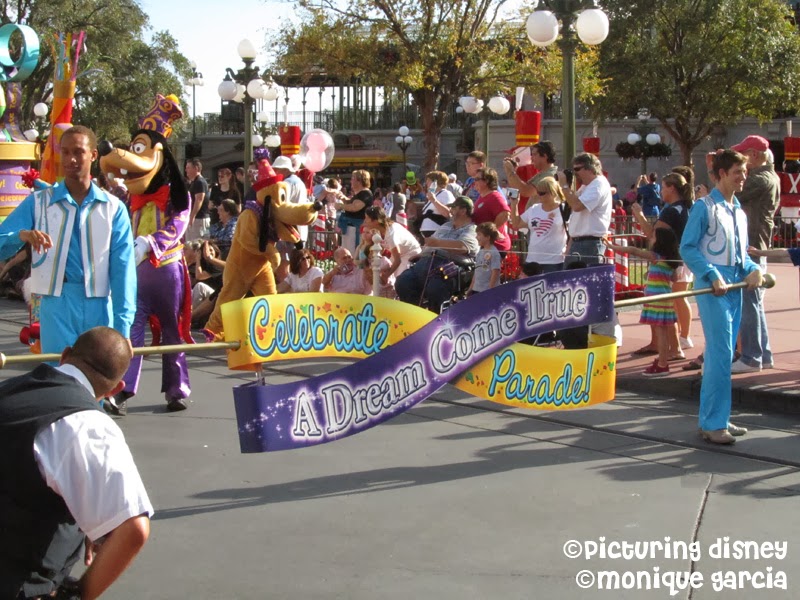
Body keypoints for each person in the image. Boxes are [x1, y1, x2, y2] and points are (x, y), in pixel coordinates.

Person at [0, 326, 152, 599]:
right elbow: (133, 529)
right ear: (116, 388)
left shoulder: (8, 390)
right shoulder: (88, 426)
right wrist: (82, 593)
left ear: (65, 355)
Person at [0, 125, 136, 356]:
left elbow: (123, 271)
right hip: (55, 307)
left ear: (93, 155)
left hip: (99, 307)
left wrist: (123, 329)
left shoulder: (114, 209)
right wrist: (21, 236)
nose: (71, 159)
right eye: (65, 152)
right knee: (60, 378)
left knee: (97, 381)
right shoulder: (38, 202)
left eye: (78, 152)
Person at [680, 149, 763, 445]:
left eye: (745, 172)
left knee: (725, 353)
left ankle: (718, 417)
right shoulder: (704, 207)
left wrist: (753, 270)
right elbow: (687, 247)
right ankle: (713, 423)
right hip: (712, 285)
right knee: (719, 351)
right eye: (738, 172)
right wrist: (711, 274)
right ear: (720, 175)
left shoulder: (738, 211)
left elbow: (742, 256)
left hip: (734, 286)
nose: (743, 177)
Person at [630, 172, 696, 357]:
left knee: (661, 303)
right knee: (678, 299)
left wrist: (639, 215)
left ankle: (666, 344)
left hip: (668, 260)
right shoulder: (687, 207)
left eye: (664, 187)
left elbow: (653, 234)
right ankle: (682, 339)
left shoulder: (670, 210)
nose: (661, 191)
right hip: (683, 257)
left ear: (672, 188)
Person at [730, 135, 780, 373]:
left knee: (749, 303)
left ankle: (751, 357)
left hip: (752, 245)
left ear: (756, 155)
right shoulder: (768, 176)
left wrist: (718, 171)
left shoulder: (759, 178)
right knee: (754, 303)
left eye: (743, 155)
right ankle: (763, 354)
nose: (739, 165)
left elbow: (730, 192)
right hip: (756, 244)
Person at [606, 228, 681, 375]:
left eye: (653, 237)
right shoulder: (670, 261)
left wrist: (612, 247)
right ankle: (662, 360)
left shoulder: (655, 257)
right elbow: (674, 279)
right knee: (663, 332)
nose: (650, 239)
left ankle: (662, 363)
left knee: (661, 333)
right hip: (665, 299)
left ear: (660, 242)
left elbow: (633, 250)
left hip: (656, 300)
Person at [395, 196, 479, 312]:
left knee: (435, 288)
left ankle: (436, 319)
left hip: (449, 265)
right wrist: (422, 254)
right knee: (403, 281)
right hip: (426, 261)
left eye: (454, 208)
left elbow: (463, 246)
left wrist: (438, 243)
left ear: (463, 211)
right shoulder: (446, 226)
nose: (450, 210)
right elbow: (430, 243)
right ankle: (415, 315)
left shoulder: (471, 229)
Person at [558, 153, 612, 266]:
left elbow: (577, 206)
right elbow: (574, 212)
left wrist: (564, 186)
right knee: (570, 281)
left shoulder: (598, 185)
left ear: (590, 168)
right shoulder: (586, 186)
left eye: (577, 169)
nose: (575, 173)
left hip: (590, 243)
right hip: (577, 242)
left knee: (585, 282)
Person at [509, 176, 567, 272]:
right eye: (538, 192)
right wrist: (514, 204)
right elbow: (516, 224)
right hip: (532, 260)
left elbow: (572, 233)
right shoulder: (534, 208)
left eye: (542, 193)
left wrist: (567, 251)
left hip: (554, 261)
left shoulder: (563, 209)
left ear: (552, 192)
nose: (538, 195)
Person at [363, 205, 421, 282]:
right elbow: (379, 249)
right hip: (398, 256)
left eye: (367, 218)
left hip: (410, 255)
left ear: (376, 221)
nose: (364, 221)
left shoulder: (391, 234)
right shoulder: (377, 230)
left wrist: (386, 276)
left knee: (400, 280)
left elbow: (398, 260)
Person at [471, 168, 511, 254]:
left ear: (486, 181)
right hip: (487, 246)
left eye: (477, 179)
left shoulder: (495, 196)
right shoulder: (482, 197)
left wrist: (489, 232)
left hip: (495, 246)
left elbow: (505, 214)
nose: (474, 182)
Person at [336, 169, 371, 255]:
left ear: (359, 181)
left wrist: (341, 206)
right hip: (351, 228)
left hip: (355, 229)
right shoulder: (359, 194)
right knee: (348, 252)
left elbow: (355, 207)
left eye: (353, 178)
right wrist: (343, 198)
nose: (351, 181)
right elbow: (352, 203)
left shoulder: (365, 194)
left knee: (352, 253)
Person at [467, 222, 501, 295]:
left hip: (486, 291)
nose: (476, 237)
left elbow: (495, 272)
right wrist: (470, 288)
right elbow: (476, 272)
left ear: (488, 237)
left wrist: (490, 289)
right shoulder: (480, 252)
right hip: (476, 289)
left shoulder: (494, 252)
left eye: (479, 235)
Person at [418, 171, 455, 237]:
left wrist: (434, 200)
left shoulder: (446, 193)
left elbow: (448, 213)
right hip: (427, 233)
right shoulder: (434, 195)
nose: (426, 183)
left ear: (435, 182)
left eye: (429, 180)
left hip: (437, 232)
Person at [185, 158, 210, 240]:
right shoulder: (194, 182)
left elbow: (199, 199)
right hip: (195, 218)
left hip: (199, 219)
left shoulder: (200, 182)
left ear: (196, 168)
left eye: (188, 168)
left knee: (195, 245)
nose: (186, 170)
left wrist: (192, 216)